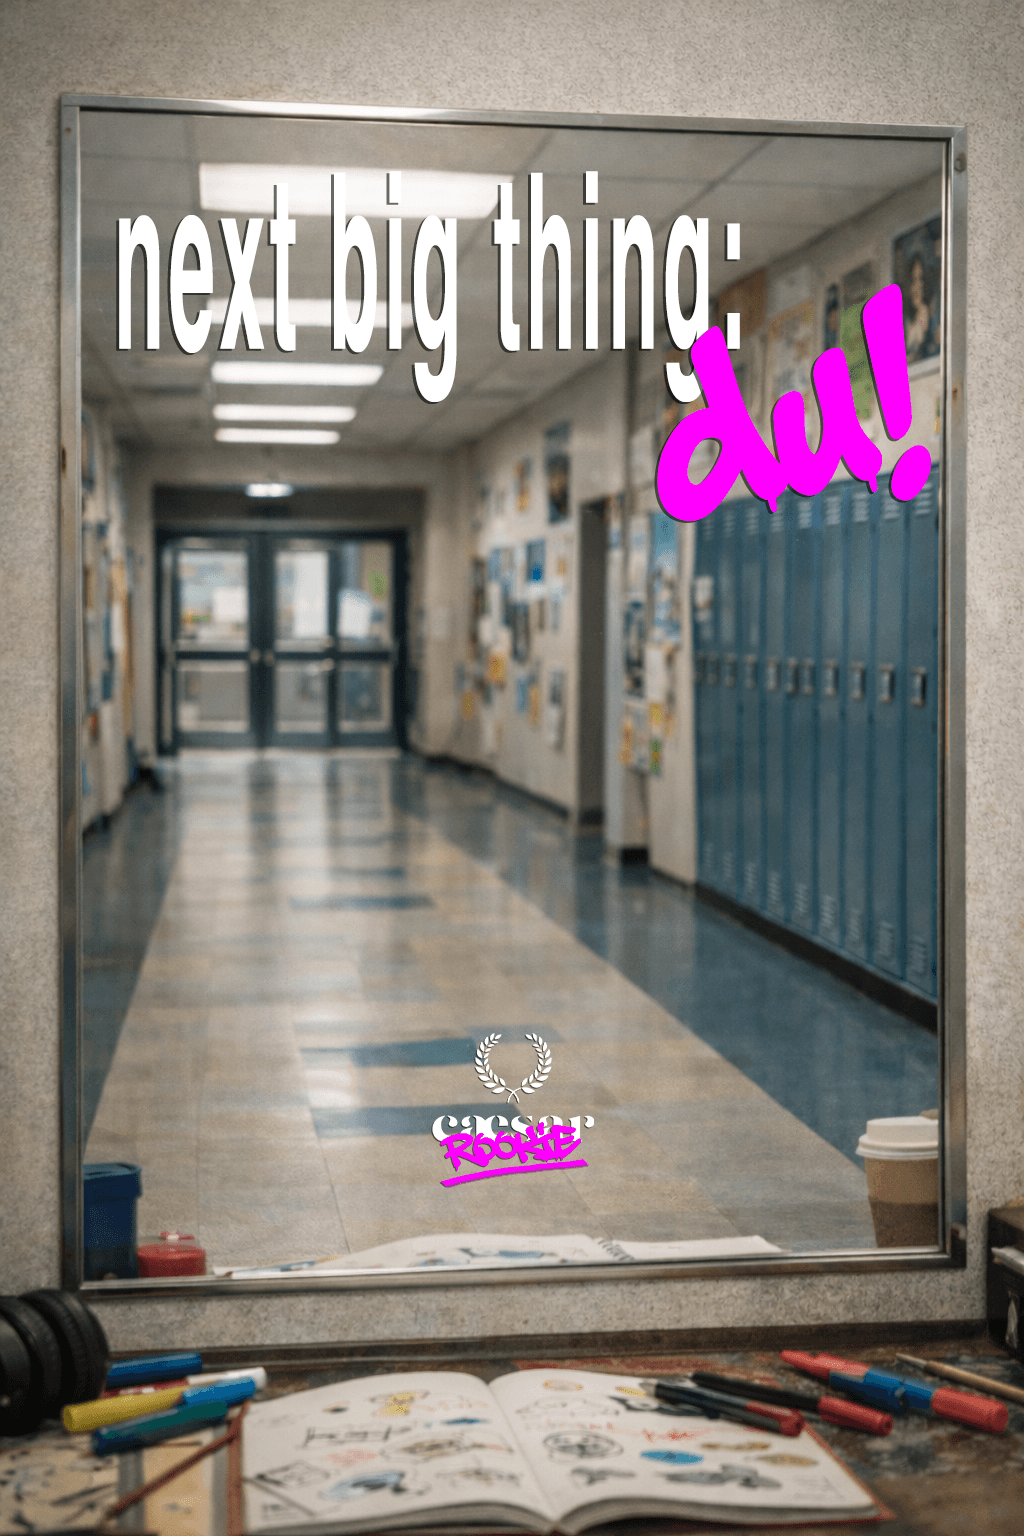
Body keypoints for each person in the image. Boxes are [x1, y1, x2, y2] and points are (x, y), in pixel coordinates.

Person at [902, 251, 938, 363]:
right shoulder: (903, 318)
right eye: (914, 280)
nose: (918, 286)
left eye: (920, 279)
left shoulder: (927, 311)